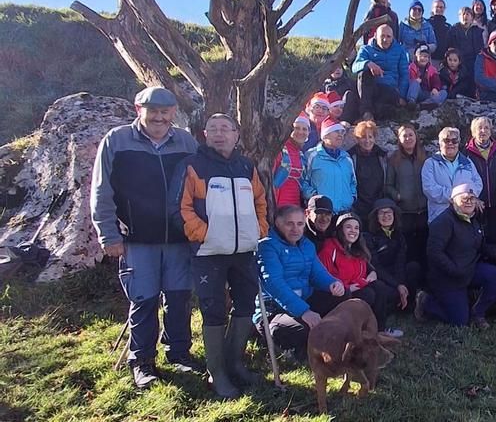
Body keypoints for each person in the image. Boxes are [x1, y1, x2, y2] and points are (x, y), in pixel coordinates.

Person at [90, 86, 200, 389]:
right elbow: (101, 191)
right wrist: (108, 235)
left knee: (179, 299)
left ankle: (179, 354)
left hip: (179, 239)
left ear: (174, 113)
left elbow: (198, 189)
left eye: (166, 112)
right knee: (144, 300)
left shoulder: (186, 142)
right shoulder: (117, 140)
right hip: (137, 239)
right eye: (153, 111)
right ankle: (142, 362)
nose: (160, 117)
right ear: (139, 110)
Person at [168, 113, 269, 398]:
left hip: (244, 252)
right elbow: (179, 209)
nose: (219, 134)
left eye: (226, 129)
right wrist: (206, 234)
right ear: (204, 135)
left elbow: (260, 200)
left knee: (246, 304)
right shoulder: (191, 165)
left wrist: (258, 229)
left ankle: (235, 363)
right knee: (213, 310)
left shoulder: (246, 166)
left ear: (237, 134)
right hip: (208, 253)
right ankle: (217, 373)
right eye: (213, 129)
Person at [255, 205, 346, 358]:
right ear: (278, 223)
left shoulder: (306, 245)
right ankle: (287, 346)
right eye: (289, 223)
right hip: (274, 309)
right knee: (302, 329)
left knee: (342, 296)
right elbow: (274, 284)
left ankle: (329, 335)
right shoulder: (267, 246)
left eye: (300, 224)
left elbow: (317, 273)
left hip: (304, 299)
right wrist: (304, 311)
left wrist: (332, 283)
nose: (295, 229)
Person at [414, 184, 496, 329]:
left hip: (469, 270)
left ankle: (478, 313)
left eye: (472, 199)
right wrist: (454, 270)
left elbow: (478, 244)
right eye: (464, 199)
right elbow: (434, 253)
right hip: (448, 277)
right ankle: (426, 302)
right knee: (460, 322)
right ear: (452, 201)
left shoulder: (473, 219)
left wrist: (495, 251)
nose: (469, 202)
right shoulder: (443, 222)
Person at [319, 212, 401, 337]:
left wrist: (372, 272)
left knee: (380, 287)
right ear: (340, 229)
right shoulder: (329, 250)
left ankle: (380, 330)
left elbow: (367, 267)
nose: (353, 231)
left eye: (356, 228)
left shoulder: (357, 249)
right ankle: (357, 332)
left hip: (356, 286)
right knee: (368, 294)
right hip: (339, 293)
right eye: (348, 227)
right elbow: (325, 278)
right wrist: (354, 285)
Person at [385, 124, 429, 285]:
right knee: (408, 252)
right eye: (405, 136)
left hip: (424, 211)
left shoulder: (424, 157)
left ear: (416, 137)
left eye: (411, 135)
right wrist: (396, 195)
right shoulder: (394, 159)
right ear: (400, 139)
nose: (408, 138)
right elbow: (388, 185)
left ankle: (426, 286)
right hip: (405, 213)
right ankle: (410, 288)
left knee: (425, 250)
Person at [365, 198, 420, 314]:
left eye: (389, 212)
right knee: (390, 292)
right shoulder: (369, 238)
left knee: (413, 267)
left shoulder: (399, 235)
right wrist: (397, 285)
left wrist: (402, 284)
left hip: (396, 274)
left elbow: (401, 262)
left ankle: (409, 305)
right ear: (376, 216)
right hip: (381, 277)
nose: (386, 216)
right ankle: (393, 306)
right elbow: (376, 267)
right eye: (381, 212)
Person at [348, 24, 409, 122]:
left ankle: (368, 117)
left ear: (393, 37)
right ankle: (366, 113)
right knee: (364, 74)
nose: (385, 39)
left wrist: (401, 95)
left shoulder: (400, 50)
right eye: (382, 36)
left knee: (385, 108)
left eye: (388, 36)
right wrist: (368, 63)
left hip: (390, 89)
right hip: (371, 87)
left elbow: (404, 75)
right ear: (375, 36)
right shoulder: (366, 49)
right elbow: (355, 67)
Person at [422, 127, 483, 223]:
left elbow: (478, 184)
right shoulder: (430, 164)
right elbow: (429, 189)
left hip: (464, 216)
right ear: (440, 143)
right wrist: (456, 196)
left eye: (454, 141)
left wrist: (468, 197)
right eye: (446, 140)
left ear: (458, 143)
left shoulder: (468, 163)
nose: (450, 144)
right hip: (440, 216)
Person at [301, 118, 357, 214]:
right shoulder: (312, 156)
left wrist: (351, 198)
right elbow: (302, 182)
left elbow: (353, 182)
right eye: (336, 131)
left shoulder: (346, 158)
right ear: (325, 135)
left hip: (344, 212)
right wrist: (314, 196)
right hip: (321, 213)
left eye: (342, 132)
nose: (340, 135)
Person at [464, 117, 496, 233]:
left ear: (490, 131)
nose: (483, 131)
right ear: (473, 132)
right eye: (479, 128)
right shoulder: (465, 153)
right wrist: (474, 198)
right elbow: (463, 179)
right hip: (475, 203)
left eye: (486, 128)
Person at [348, 120, 387, 220]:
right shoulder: (350, 157)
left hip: (378, 205)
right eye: (363, 137)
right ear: (357, 139)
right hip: (357, 206)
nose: (367, 141)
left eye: (370, 137)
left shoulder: (382, 156)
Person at [272, 114, 310, 207]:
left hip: (295, 206)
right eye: (296, 128)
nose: (301, 132)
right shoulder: (279, 150)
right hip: (277, 206)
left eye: (304, 129)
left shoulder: (301, 155)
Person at [406, 44, 448, 109]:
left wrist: (435, 88)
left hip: (428, 93)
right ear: (416, 56)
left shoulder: (432, 69)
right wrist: (415, 80)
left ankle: (425, 104)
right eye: (421, 56)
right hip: (417, 92)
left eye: (426, 56)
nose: (423, 58)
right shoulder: (411, 67)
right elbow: (408, 80)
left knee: (444, 93)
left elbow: (436, 81)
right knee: (415, 83)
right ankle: (411, 102)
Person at [447, 7, 484, 80]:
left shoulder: (478, 31)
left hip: (473, 62)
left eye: (467, 14)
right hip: (458, 63)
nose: (465, 16)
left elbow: (481, 49)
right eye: (463, 14)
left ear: (472, 17)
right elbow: (449, 47)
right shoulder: (453, 30)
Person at [428, 0, 452, 66]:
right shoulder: (427, 24)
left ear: (444, 9)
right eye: (437, 7)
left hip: (444, 61)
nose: (439, 9)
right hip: (430, 59)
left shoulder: (449, 26)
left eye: (441, 7)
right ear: (432, 8)